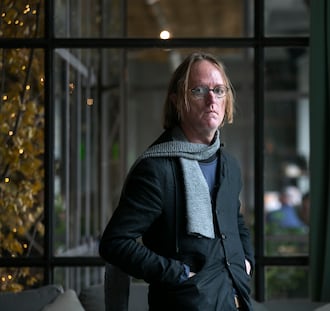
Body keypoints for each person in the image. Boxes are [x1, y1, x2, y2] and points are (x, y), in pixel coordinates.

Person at [99, 51, 255, 311]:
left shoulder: (229, 164)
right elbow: (115, 243)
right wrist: (179, 274)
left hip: (236, 302)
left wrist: (246, 261)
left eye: (219, 90)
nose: (211, 99)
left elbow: (234, 222)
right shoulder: (156, 169)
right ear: (177, 101)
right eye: (198, 90)